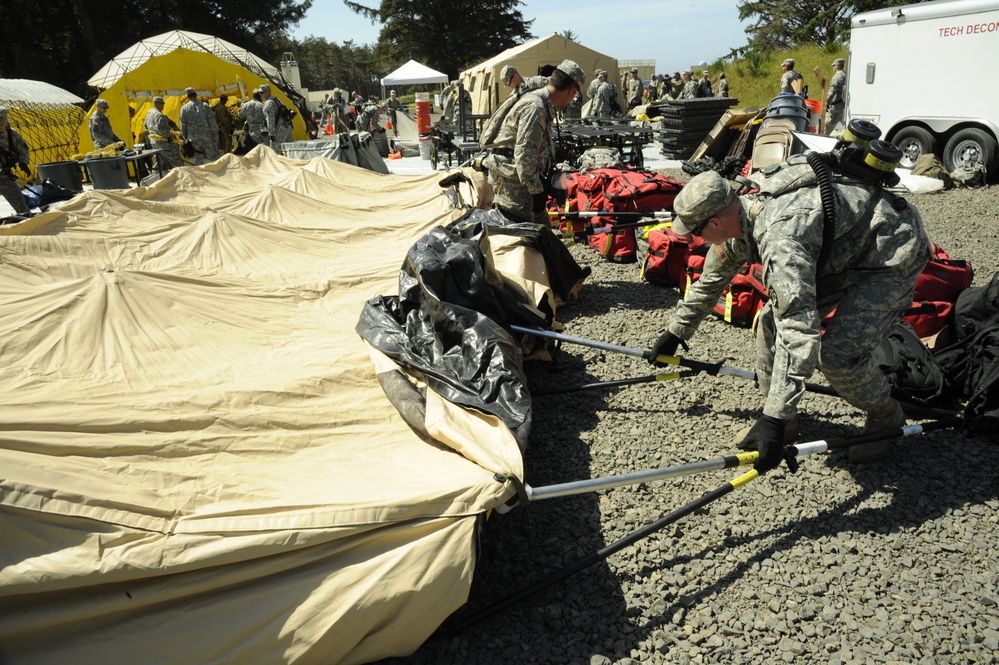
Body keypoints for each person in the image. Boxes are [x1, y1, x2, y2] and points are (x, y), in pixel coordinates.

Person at [648, 164, 930, 471]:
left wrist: (774, 418)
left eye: (696, 231)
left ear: (714, 222)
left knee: (837, 355)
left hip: (890, 252)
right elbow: (711, 280)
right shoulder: (740, 212)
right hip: (841, 249)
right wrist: (677, 332)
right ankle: (787, 423)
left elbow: (799, 330)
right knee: (769, 322)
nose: (697, 239)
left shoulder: (778, 237)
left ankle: (886, 416)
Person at [480, 59, 585, 224]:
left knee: (542, 235)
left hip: (522, 179)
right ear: (572, 91)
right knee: (522, 238)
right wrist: (537, 193)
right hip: (514, 184)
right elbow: (525, 156)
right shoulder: (535, 108)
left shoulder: (542, 102)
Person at [0, 107, 31, 215]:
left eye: (2, 125)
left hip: (4, 177)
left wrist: (24, 162)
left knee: (21, 206)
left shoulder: (12, 135)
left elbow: (23, 150)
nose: (1, 127)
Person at [179, 87, 220, 165]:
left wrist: (184, 137)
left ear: (187, 96)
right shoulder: (205, 106)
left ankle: (200, 174)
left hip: (193, 138)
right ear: (196, 95)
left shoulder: (184, 108)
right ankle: (220, 173)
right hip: (206, 136)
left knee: (198, 156)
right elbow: (212, 121)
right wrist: (216, 135)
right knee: (215, 156)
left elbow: (183, 124)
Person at [143, 96, 183, 171]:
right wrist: (169, 137)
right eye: (161, 104)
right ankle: (184, 175)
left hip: (154, 142)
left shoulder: (148, 115)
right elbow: (160, 129)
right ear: (157, 104)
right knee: (177, 159)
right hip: (163, 142)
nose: (163, 105)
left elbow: (145, 127)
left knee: (160, 160)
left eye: (163, 103)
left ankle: (155, 176)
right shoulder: (158, 115)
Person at [260, 84, 293, 155]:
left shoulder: (269, 103)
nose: (260, 94)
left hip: (278, 131)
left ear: (268, 92)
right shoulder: (276, 100)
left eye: (262, 92)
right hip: (286, 128)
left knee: (275, 154)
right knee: (290, 153)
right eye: (259, 93)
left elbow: (270, 120)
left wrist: (271, 134)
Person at [826, 58, 847, 134]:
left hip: (836, 105)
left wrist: (826, 102)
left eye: (833, 66)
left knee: (828, 126)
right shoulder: (846, 75)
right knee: (841, 126)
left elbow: (832, 91)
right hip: (843, 104)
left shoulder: (837, 76)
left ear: (837, 66)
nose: (833, 67)